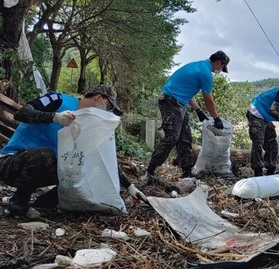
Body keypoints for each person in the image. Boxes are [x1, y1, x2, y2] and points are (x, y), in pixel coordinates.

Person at [0, 85, 146, 214]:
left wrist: (129, 186)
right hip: (12, 162)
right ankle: (18, 203)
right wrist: (54, 117)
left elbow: (104, 159)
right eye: (108, 107)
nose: (108, 112)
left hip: (40, 170)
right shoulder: (57, 99)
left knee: (80, 173)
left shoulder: (89, 126)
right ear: (99, 98)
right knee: (45, 155)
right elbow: (21, 113)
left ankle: (42, 205)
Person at [142, 51, 229, 182]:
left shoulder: (199, 66)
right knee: (172, 136)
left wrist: (198, 111)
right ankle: (150, 170)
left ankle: (187, 172)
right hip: (170, 101)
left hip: (179, 103)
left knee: (185, 137)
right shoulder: (205, 73)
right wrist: (216, 118)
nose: (220, 70)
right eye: (222, 67)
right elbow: (209, 100)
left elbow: (187, 92)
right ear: (218, 62)